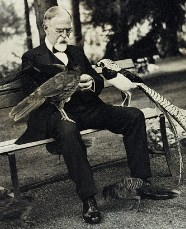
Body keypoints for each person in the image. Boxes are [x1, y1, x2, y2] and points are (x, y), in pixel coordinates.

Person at [16, 6, 152, 224]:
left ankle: (142, 182)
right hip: (56, 114)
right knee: (69, 130)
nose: (65, 35)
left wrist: (90, 83)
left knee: (134, 116)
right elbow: (31, 95)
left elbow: (97, 80)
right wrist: (62, 87)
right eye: (60, 30)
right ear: (45, 27)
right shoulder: (32, 57)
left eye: (68, 30)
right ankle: (89, 199)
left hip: (88, 109)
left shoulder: (76, 52)